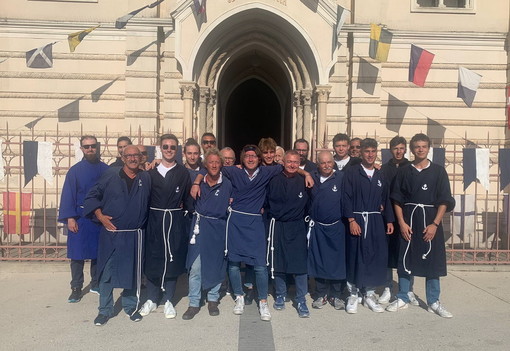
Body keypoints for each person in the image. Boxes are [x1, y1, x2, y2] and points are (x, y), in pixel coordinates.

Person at [191, 144, 313, 321]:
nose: (250, 159)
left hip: (255, 222)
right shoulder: (233, 171)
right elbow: (210, 165)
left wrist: (307, 173)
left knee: (260, 264)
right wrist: (196, 182)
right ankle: (239, 297)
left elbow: (291, 166)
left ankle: (263, 301)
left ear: (259, 159)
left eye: (254, 156)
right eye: (247, 156)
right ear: (242, 158)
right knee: (233, 263)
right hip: (236, 222)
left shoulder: (267, 172)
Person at [387, 133, 455, 318]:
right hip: (409, 221)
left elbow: (444, 201)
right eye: (417, 146)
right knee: (405, 259)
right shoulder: (404, 171)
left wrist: (435, 224)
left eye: (423, 146)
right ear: (412, 149)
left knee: (432, 261)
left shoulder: (438, 171)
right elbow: (397, 200)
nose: (420, 149)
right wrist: (401, 223)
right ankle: (403, 296)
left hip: (429, 221)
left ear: (428, 148)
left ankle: (434, 301)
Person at [83, 145, 151, 326]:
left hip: (134, 236)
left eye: (136, 155)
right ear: (122, 157)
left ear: (140, 158)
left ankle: (131, 308)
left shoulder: (145, 177)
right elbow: (91, 197)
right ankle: (104, 310)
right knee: (106, 273)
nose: (132, 159)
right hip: (112, 234)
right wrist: (100, 216)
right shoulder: (110, 175)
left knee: (132, 273)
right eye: (128, 155)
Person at [140, 134, 193, 319]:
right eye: (166, 146)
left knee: (172, 259)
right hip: (154, 220)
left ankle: (169, 299)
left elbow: (188, 199)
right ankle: (152, 298)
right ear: (160, 148)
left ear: (177, 150)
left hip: (174, 220)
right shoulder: (150, 173)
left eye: (172, 147)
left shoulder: (182, 173)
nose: (169, 150)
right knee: (154, 259)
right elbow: (143, 199)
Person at [343, 138, 394, 314]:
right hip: (357, 219)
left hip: (374, 221)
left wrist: (388, 220)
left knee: (373, 256)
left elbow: (385, 199)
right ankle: (353, 293)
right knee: (355, 256)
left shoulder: (381, 175)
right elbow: (346, 198)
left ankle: (369, 294)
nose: (370, 155)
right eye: (367, 151)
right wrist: (351, 220)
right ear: (361, 153)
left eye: (373, 151)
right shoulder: (352, 172)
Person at [182, 149, 232, 320]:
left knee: (216, 264)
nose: (214, 165)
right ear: (205, 165)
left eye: (217, 162)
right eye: (211, 162)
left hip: (218, 228)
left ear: (221, 164)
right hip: (199, 227)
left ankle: (212, 299)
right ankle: (194, 302)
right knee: (196, 266)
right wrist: (196, 182)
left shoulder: (227, 184)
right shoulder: (199, 182)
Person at [59, 135, 109, 303]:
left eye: (92, 146)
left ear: (97, 147)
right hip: (80, 218)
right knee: (77, 255)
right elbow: (68, 195)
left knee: (97, 254)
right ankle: (76, 287)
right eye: (86, 146)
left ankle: (96, 283)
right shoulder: (75, 171)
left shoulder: (106, 169)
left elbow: (110, 194)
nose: (90, 149)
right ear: (81, 149)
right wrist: (70, 218)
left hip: (98, 218)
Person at [266, 150, 310, 318]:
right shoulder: (274, 180)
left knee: (299, 265)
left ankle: (301, 299)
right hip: (278, 225)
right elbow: (268, 203)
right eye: (289, 162)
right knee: (278, 262)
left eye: (295, 162)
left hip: (297, 226)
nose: (292, 165)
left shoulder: (305, 180)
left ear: (299, 164)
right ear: (283, 162)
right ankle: (280, 295)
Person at [379, 136, 416, 305]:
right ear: (390, 149)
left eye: (401, 148)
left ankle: (408, 290)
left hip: (406, 217)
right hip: (387, 217)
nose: (399, 151)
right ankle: (387, 287)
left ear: (406, 149)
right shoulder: (384, 169)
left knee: (407, 254)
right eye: (395, 148)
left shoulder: (411, 168)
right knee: (388, 254)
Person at [308, 151, 346, 311]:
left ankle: (337, 295)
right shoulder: (312, 177)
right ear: (318, 164)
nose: (326, 165)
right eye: (323, 163)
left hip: (336, 227)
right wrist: (304, 173)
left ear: (333, 162)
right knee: (320, 261)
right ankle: (321, 294)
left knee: (337, 262)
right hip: (317, 227)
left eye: (329, 162)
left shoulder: (342, 178)